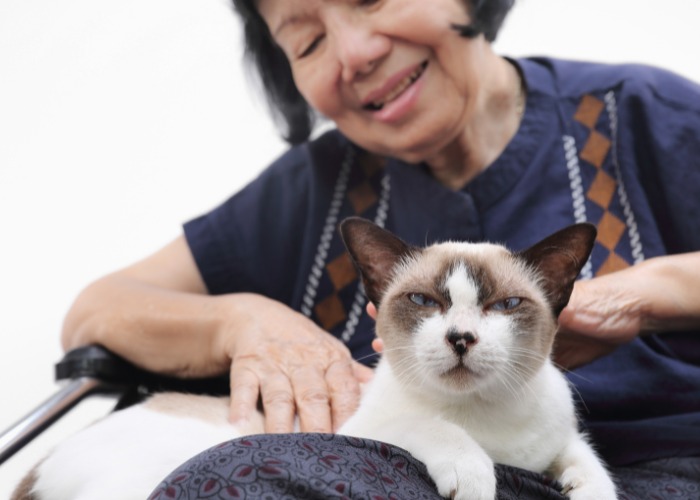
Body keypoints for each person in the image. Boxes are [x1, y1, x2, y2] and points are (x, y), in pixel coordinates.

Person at [61, 0, 700, 497]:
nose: (356, 53)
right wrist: (243, 320)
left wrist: (649, 292)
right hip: (399, 472)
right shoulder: (312, 188)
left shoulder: (643, 114)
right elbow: (96, 310)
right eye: (308, 42)